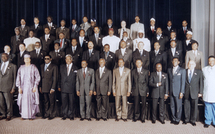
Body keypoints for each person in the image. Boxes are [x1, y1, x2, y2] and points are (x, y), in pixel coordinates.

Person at [16, 54, 41, 120]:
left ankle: (31, 115)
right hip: (23, 88)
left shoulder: (33, 67)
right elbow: (18, 78)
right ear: (24, 60)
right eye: (25, 59)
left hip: (31, 87)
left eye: (27, 58)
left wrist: (35, 86)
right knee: (23, 101)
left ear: (30, 59)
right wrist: (19, 87)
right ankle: (24, 115)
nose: (26, 60)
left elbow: (38, 77)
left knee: (31, 101)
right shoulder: (21, 67)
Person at [183, 60, 203, 126]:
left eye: (192, 64)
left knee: (194, 107)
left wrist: (200, 92)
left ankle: (193, 120)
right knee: (186, 106)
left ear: (194, 65)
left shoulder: (199, 72)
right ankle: (186, 119)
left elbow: (201, 83)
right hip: (186, 92)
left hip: (195, 92)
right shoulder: (184, 71)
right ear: (187, 65)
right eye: (189, 64)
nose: (190, 65)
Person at [59, 54, 78, 120]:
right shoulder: (62, 67)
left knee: (71, 102)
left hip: (72, 87)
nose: (67, 60)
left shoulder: (75, 67)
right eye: (66, 59)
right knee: (64, 102)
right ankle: (64, 114)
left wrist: (76, 88)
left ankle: (71, 115)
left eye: (69, 59)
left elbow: (77, 79)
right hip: (63, 87)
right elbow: (59, 77)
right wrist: (59, 86)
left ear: (71, 60)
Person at [167, 57, 186, 125]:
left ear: (178, 62)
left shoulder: (182, 70)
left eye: (176, 61)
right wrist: (168, 91)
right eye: (173, 60)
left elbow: (183, 82)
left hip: (178, 92)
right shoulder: (169, 70)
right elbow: (168, 81)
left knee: (178, 106)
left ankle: (178, 119)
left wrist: (182, 92)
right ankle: (173, 118)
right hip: (171, 91)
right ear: (172, 62)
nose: (174, 62)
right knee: (172, 106)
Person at [40, 55, 58, 120]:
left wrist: (53, 88)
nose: (46, 60)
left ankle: (52, 114)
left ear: (50, 59)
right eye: (45, 59)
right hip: (44, 86)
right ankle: (46, 113)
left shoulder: (54, 66)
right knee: (46, 101)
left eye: (48, 58)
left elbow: (55, 78)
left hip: (50, 87)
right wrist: (40, 87)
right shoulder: (42, 66)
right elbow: (41, 78)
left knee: (51, 101)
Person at [0, 53, 16, 121]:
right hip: (0, 86)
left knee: (8, 102)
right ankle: (3, 114)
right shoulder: (0, 65)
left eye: (5, 56)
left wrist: (13, 87)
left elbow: (15, 78)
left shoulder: (13, 66)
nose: (3, 57)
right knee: (1, 102)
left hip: (8, 87)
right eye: (2, 56)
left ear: (8, 57)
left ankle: (9, 114)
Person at [202, 56, 215, 128]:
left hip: (214, 92)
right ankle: (207, 121)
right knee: (207, 108)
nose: (211, 62)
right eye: (210, 61)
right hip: (207, 91)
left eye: (212, 60)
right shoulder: (204, 69)